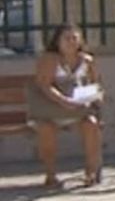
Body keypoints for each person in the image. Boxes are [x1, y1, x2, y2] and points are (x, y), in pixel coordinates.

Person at [30, 23, 104, 189]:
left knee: (91, 123)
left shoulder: (87, 60)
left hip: (77, 109)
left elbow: (95, 83)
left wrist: (95, 97)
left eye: (74, 38)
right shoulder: (50, 59)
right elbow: (44, 85)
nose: (71, 42)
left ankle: (91, 172)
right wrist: (64, 101)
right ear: (58, 41)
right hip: (50, 109)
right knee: (46, 128)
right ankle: (51, 174)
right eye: (67, 38)